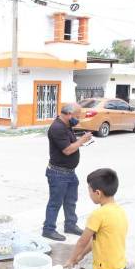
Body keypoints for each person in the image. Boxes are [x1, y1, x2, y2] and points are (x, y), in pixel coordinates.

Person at [42, 103, 93, 241]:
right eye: (77, 116)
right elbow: (68, 150)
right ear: (69, 114)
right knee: (55, 202)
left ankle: (70, 225)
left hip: (70, 172)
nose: (78, 119)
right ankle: (48, 229)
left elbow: (70, 143)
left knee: (71, 201)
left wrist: (81, 139)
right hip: (58, 173)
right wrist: (82, 140)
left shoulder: (66, 125)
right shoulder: (57, 128)